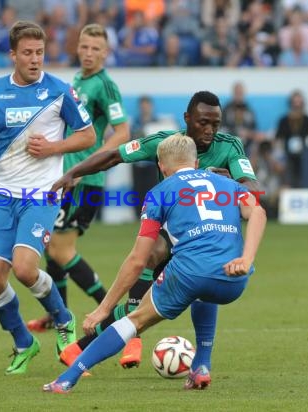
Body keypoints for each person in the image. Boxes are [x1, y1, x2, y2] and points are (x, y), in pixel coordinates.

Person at [43, 133, 267, 393]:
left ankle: (67, 379)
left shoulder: (159, 192)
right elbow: (258, 212)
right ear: (196, 163)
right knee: (205, 294)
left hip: (188, 274)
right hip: (234, 278)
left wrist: (104, 308)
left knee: (135, 321)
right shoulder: (228, 184)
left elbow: (139, 260)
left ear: (161, 166)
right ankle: (201, 367)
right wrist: (246, 258)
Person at [0, 21, 96, 375]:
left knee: (24, 269)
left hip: (42, 195)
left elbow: (87, 136)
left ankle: (64, 319)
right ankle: (24, 341)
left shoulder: (59, 91)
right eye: (27, 53)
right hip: (4, 195)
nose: (35, 59)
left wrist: (54, 147)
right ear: (13, 55)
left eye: (39, 52)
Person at [27, 23, 130, 333]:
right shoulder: (76, 79)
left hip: (84, 182)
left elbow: (123, 132)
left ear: (106, 53)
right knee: (50, 246)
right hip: (66, 177)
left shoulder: (104, 85)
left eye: (96, 49)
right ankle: (59, 314)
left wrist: (90, 161)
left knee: (60, 249)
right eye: (84, 47)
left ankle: (111, 313)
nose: (88, 53)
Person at [275, 90, 308, 188]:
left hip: (305, 156)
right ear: (291, 103)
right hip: (288, 156)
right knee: (288, 179)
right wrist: (280, 157)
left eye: (299, 102)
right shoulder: (284, 120)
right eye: (294, 102)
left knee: (305, 180)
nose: (297, 105)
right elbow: (278, 139)